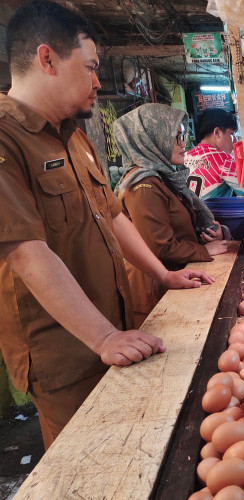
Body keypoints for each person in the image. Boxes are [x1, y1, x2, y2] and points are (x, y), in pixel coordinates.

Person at [0, 0, 214, 449]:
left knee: (134, 449)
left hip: (113, 329)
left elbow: (112, 215)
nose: (99, 81)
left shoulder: (74, 136)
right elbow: (25, 250)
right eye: (91, 67)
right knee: (88, 460)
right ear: (47, 60)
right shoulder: (6, 139)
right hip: (63, 351)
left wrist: (164, 275)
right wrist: (103, 336)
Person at [113, 104, 231, 326]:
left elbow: (179, 226)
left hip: (174, 282)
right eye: (176, 136)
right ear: (153, 139)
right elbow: (159, 245)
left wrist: (209, 234)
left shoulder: (164, 178)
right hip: (154, 296)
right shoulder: (143, 186)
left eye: (184, 135)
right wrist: (203, 250)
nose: (183, 144)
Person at [184, 108, 244, 199]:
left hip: (189, 212)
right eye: (231, 134)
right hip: (213, 213)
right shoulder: (225, 160)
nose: (235, 140)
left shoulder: (186, 156)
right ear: (217, 132)